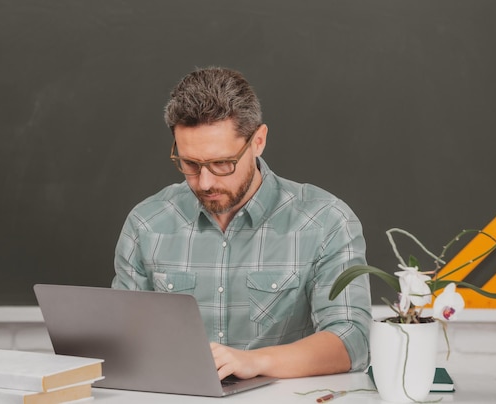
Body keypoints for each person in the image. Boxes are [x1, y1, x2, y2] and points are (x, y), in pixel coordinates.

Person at [111, 66, 371, 380]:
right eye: (190, 164)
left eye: (222, 163)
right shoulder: (146, 223)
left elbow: (351, 340)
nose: (205, 182)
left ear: (258, 141)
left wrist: (255, 362)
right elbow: (122, 339)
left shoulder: (326, 221)